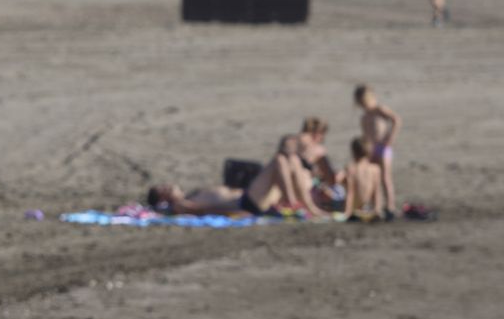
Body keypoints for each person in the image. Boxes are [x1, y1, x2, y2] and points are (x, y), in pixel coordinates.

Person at [147, 135, 321, 217]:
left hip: (251, 198)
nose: (167, 186)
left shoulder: (191, 195)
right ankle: (293, 203)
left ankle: (309, 207)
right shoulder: (184, 205)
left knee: (291, 159)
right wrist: (239, 212)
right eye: (162, 190)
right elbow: (211, 210)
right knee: (280, 159)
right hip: (247, 203)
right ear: (163, 200)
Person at [354, 85, 402, 214]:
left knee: (385, 177)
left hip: (382, 147)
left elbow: (396, 120)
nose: (363, 105)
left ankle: (390, 206)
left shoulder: (379, 110)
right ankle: (376, 206)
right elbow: (365, 135)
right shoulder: (365, 116)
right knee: (373, 178)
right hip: (370, 149)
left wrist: (390, 138)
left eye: (364, 101)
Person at [342, 137, 386, 220]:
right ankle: (374, 210)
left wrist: (347, 212)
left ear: (353, 152)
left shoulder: (351, 168)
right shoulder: (375, 169)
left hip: (354, 209)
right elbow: (377, 192)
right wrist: (377, 209)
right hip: (367, 207)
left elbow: (350, 192)